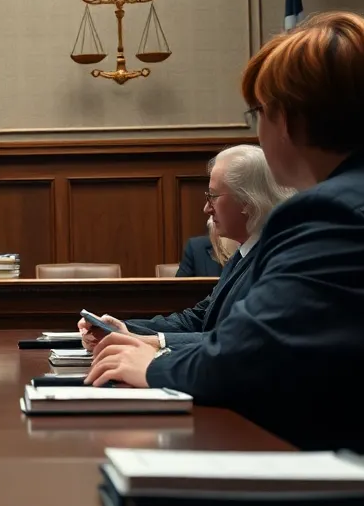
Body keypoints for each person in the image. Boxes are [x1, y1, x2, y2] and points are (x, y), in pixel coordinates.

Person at [86, 12, 364, 468]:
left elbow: (245, 362)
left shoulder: (337, 213)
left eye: (259, 112)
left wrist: (151, 367)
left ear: (284, 120)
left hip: (362, 492)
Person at [79, 145, 293, 352]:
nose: (206, 208)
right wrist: (120, 329)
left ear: (248, 200)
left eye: (212, 197)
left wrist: (150, 342)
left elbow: (240, 339)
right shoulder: (244, 254)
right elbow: (199, 318)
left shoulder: (278, 260)